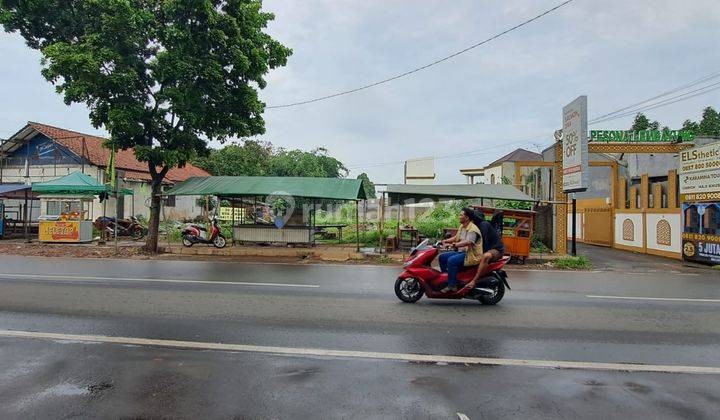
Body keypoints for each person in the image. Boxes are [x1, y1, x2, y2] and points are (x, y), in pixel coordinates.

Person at [438, 207, 481, 293]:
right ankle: (448, 279)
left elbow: (468, 242)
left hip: (471, 255)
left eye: (461, 215)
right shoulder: (462, 226)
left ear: (467, 217)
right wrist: (444, 241)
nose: (459, 216)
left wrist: (454, 245)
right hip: (462, 252)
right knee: (442, 257)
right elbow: (456, 237)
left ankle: (452, 285)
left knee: (451, 261)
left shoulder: (473, 229)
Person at [466, 212, 505, 290]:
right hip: (486, 248)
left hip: (496, 250)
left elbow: (485, 243)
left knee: (486, 256)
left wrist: (479, 254)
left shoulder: (484, 225)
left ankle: (474, 281)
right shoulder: (473, 227)